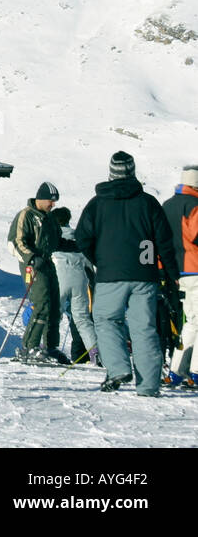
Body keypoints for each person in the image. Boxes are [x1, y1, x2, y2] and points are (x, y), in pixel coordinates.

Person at [76, 151, 180, 396]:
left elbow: (82, 238)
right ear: (133, 172)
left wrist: (100, 260)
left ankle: (118, 368)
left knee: (106, 320)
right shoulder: (148, 202)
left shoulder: (97, 204)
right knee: (144, 328)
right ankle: (148, 386)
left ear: (111, 174)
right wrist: (173, 274)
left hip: (111, 274)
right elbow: (165, 241)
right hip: (145, 275)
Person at [11, 181, 64, 364]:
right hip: (33, 266)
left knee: (54, 305)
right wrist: (32, 258)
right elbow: (16, 242)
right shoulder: (26, 215)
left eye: (54, 201)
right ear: (40, 199)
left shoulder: (49, 218)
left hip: (47, 263)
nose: (53, 204)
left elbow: (57, 242)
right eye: (51, 201)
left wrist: (80, 245)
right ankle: (29, 346)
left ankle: (50, 347)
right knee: (42, 304)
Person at [161, 165, 198, 386]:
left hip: (176, 271)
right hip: (195, 267)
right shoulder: (194, 205)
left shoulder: (168, 205)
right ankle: (194, 371)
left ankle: (177, 369)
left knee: (191, 321)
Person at [50, 206, 97, 365]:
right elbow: (89, 263)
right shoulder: (78, 237)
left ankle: (48, 348)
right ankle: (96, 353)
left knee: (54, 315)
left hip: (59, 278)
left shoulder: (52, 236)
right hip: (80, 279)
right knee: (82, 319)